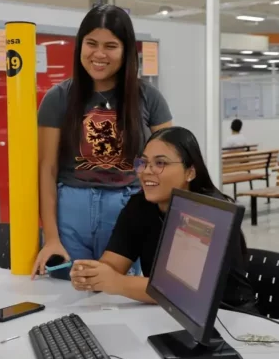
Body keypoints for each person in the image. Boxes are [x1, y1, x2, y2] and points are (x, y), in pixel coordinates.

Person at [33, 4, 173, 280]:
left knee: (119, 294)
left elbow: (167, 165)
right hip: (71, 211)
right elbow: (47, 169)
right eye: (91, 43)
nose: (99, 54)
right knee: (68, 291)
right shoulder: (58, 98)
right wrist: (51, 237)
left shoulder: (149, 98)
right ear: (80, 46)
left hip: (127, 209)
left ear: (126, 51)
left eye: (110, 46)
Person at [68, 126, 256, 311]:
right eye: (143, 163)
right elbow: (112, 265)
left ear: (190, 172)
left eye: (160, 163)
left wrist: (117, 282)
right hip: (171, 314)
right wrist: (92, 274)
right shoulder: (139, 205)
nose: (147, 171)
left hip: (228, 318)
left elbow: (178, 290)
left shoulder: (210, 213)